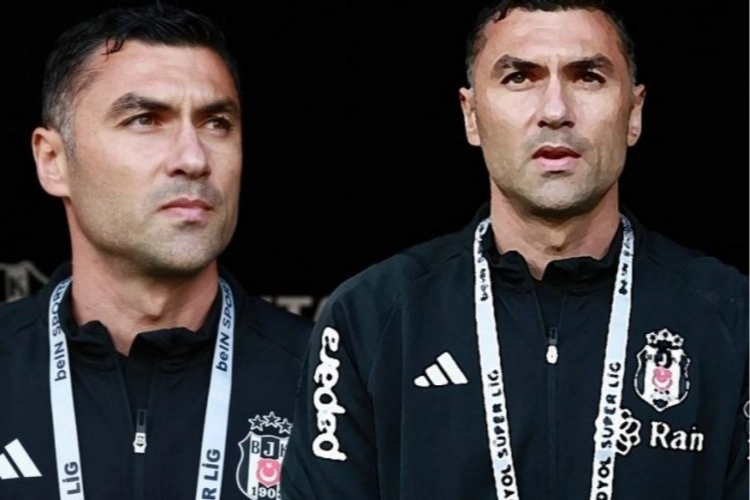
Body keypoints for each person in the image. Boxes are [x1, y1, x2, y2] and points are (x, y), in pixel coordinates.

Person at [280, 0, 749, 498]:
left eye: (588, 77)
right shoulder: (371, 317)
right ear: (471, 115)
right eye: (520, 78)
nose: (555, 112)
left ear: (634, 113)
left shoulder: (732, 315)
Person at [0, 4, 312, 499]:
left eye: (216, 123)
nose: (193, 158)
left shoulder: (328, 375)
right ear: (52, 160)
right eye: (145, 119)